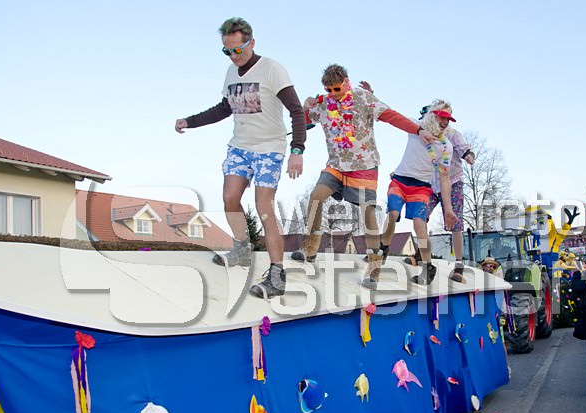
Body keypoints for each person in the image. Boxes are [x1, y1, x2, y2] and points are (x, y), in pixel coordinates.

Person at [175, 17, 306, 299]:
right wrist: (190, 121)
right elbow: (224, 108)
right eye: (228, 51)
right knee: (230, 197)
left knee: (263, 206)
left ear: (251, 42)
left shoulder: (272, 69)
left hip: (270, 148)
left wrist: (297, 149)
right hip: (240, 147)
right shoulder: (231, 72)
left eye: (238, 49)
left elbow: (296, 110)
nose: (234, 56)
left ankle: (277, 275)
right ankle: (241, 250)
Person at [291, 64, 436, 288]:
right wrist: (306, 106)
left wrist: (418, 130)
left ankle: (374, 266)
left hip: (364, 165)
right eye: (328, 90)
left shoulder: (363, 98)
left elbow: (391, 116)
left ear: (346, 83)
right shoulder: (324, 103)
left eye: (337, 89)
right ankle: (310, 248)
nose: (333, 94)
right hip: (337, 165)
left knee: (367, 212)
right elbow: (304, 122)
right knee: (316, 196)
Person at [379, 100, 459, 285]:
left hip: (421, 187)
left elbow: (445, 178)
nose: (445, 123)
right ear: (432, 115)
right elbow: (393, 116)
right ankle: (383, 249)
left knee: (419, 223)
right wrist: (372, 97)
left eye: (448, 120)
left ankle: (428, 267)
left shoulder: (445, 146)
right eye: (442, 118)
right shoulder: (416, 126)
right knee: (393, 214)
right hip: (400, 181)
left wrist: (448, 209)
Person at [402, 106, 475, 282]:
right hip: (430, 183)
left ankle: (459, 265)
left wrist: (469, 156)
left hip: (452, 183)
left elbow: (464, 148)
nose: (443, 124)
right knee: (420, 217)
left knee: (455, 222)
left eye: (446, 121)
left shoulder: (452, 134)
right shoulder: (422, 134)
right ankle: (421, 254)